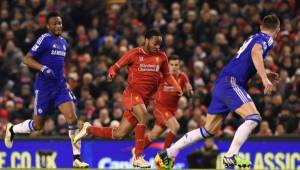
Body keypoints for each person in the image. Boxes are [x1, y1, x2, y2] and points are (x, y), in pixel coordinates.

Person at [155, 14, 280, 169]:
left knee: (208, 130)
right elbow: (256, 52)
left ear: (261, 26)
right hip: (231, 82)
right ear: (277, 30)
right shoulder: (267, 39)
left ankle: (169, 153)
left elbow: (246, 62)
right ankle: (231, 156)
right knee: (253, 118)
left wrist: (264, 74)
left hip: (222, 83)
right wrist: (264, 78)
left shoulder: (253, 36)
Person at [74, 29, 182, 168]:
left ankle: (88, 129)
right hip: (132, 94)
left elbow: (167, 75)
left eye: (159, 44)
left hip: (145, 100)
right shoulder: (135, 53)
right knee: (144, 115)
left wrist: (177, 87)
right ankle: (138, 156)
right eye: (155, 43)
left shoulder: (161, 56)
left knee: (119, 134)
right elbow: (116, 66)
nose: (157, 46)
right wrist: (112, 72)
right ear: (146, 40)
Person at [4, 12, 89, 168]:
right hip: (44, 89)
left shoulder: (64, 42)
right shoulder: (44, 39)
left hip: (60, 87)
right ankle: (13, 129)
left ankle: (76, 158)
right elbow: (26, 59)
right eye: (55, 23)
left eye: (60, 23)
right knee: (38, 126)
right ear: (48, 26)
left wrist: (67, 82)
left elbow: (61, 64)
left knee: (73, 120)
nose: (58, 26)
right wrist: (42, 68)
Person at [137, 55, 193, 152]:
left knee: (153, 135)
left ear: (179, 66)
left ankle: (136, 151)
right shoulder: (161, 75)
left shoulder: (182, 76)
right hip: (160, 108)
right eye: (172, 65)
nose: (174, 67)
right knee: (175, 127)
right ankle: (166, 153)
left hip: (171, 111)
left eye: (176, 65)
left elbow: (188, 87)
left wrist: (190, 91)